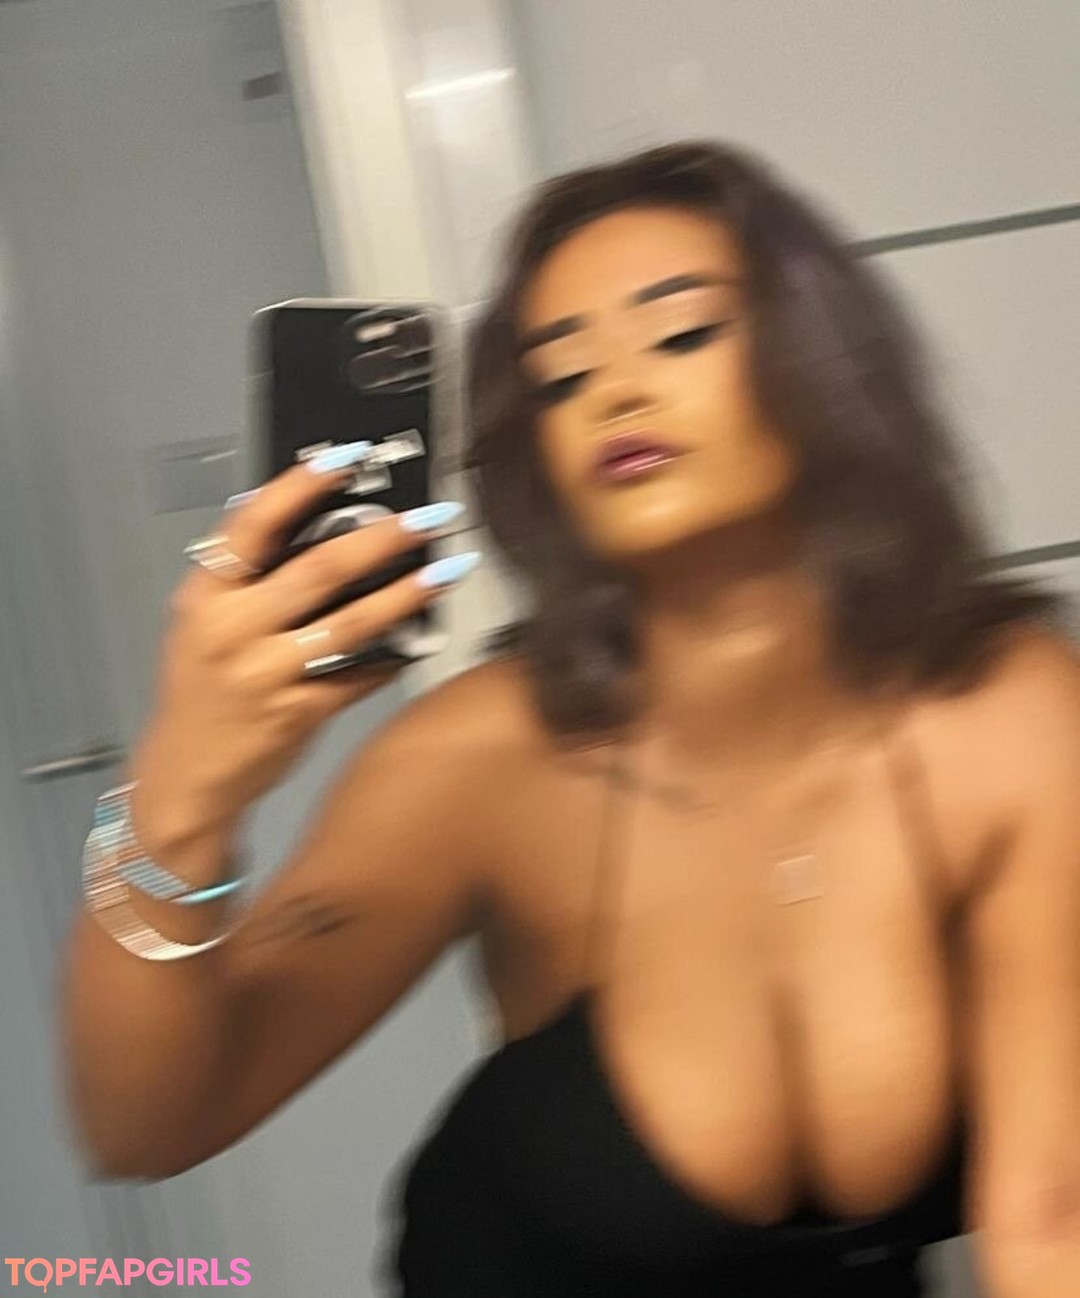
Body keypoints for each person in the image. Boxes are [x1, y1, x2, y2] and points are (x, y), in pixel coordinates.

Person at [60, 142, 1080, 1297]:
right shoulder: (485, 759)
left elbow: (1050, 1212)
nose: (615, 392)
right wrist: (180, 795)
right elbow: (147, 1124)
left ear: (823, 362)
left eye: (680, 333)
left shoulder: (1009, 707)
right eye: (560, 377)